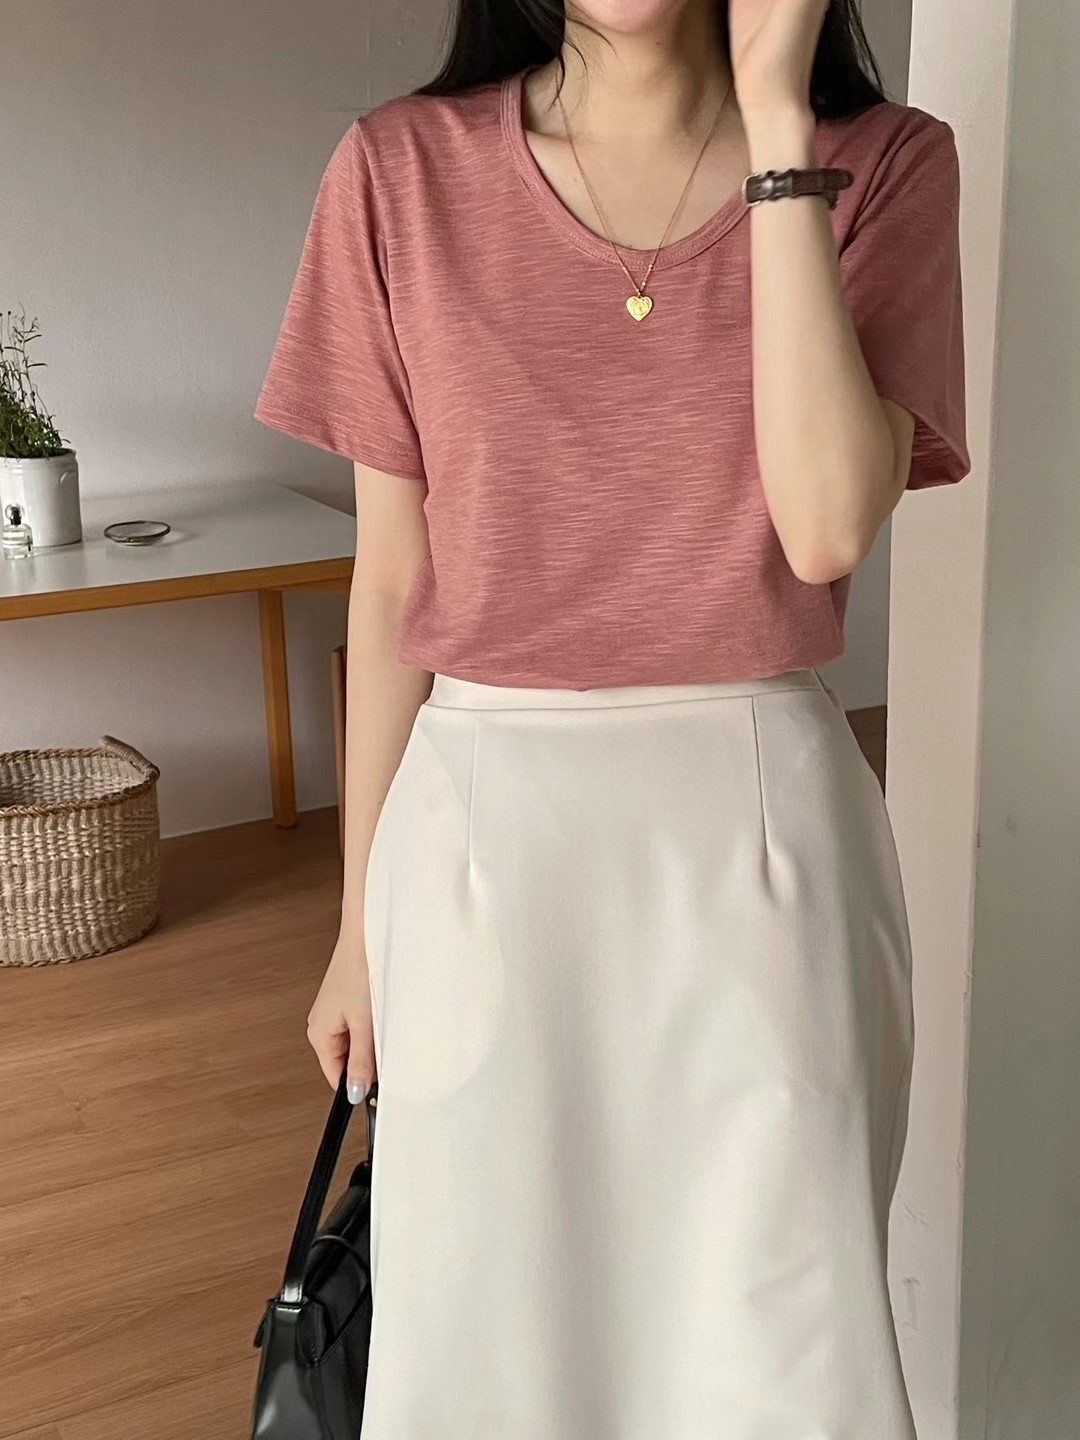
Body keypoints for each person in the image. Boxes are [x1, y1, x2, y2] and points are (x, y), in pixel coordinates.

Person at [254, 0, 969, 1433]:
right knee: (495, 1350)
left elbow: (828, 526)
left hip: (761, 845)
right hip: (480, 841)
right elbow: (388, 581)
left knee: (774, 1354)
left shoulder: (884, 161)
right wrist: (358, 928)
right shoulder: (399, 169)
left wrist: (778, 128)